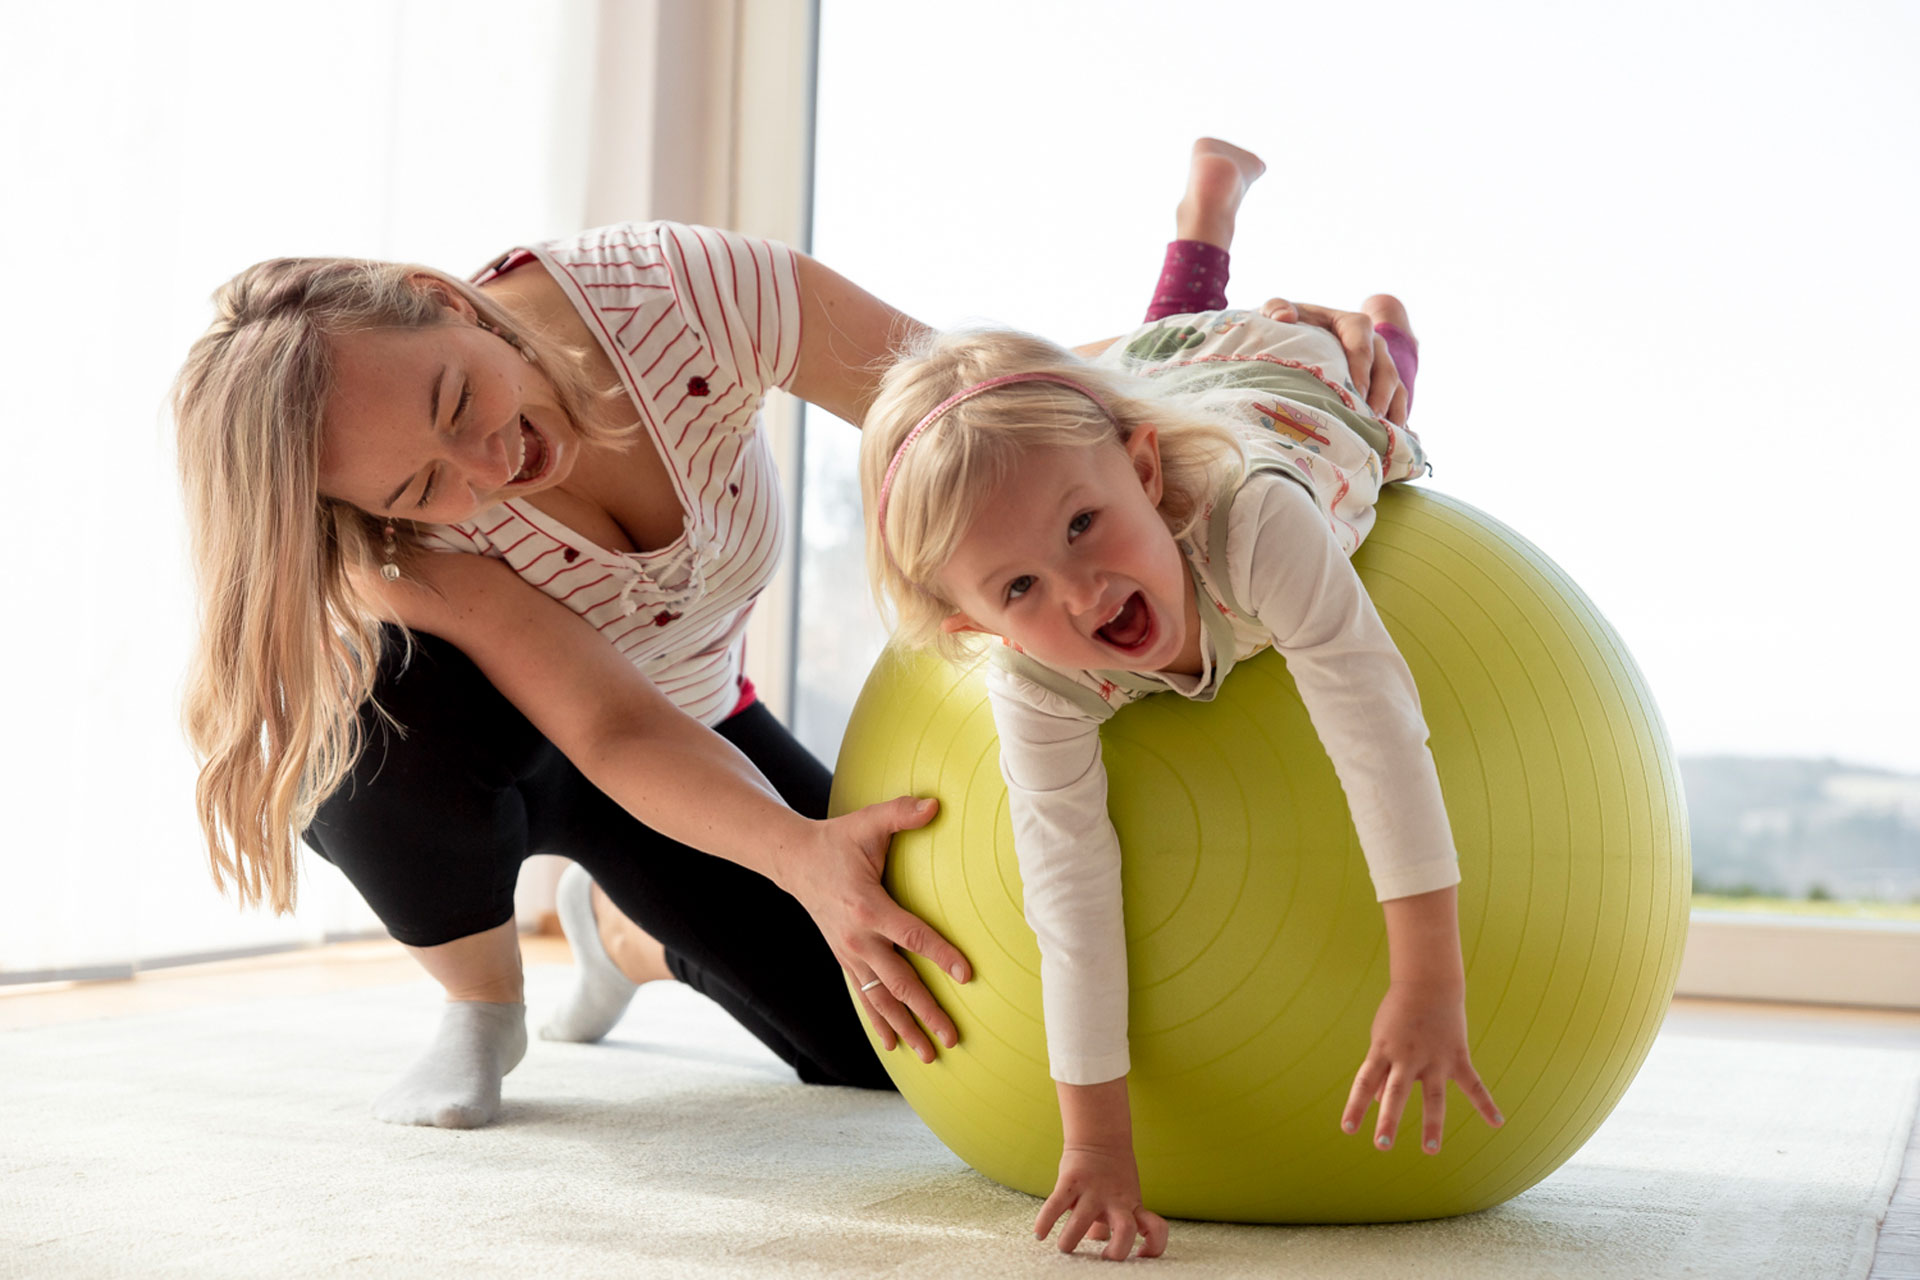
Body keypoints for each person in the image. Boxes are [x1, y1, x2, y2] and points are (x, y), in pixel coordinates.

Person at [171, 137, 1408, 1135]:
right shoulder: (395, 548)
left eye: (457, 401)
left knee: (901, 1041)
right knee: (365, 723)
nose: (486, 467)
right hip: (537, 737)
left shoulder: (679, 292)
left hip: (684, 731)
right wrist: (798, 855)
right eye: (420, 484)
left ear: (450, 301)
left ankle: (622, 935)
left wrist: (1239, 351)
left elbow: (959, 405)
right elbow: (596, 718)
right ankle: (481, 1000)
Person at [858, 142, 1501, 1261]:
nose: (1084, 590)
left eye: (1084, 528)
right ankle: (1202, 216)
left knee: (1347, 374)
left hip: (1286, 385)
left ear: (1146, 472)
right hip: (1172, 377)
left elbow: (1376, 726)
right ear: (974, 625)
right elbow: (1067, 877)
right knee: (1159, 347)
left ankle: (1373, 318)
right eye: (1019, 587)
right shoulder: (1034, 663)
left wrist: (1427, 980)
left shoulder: (1261, 527)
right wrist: (1096, 1144)